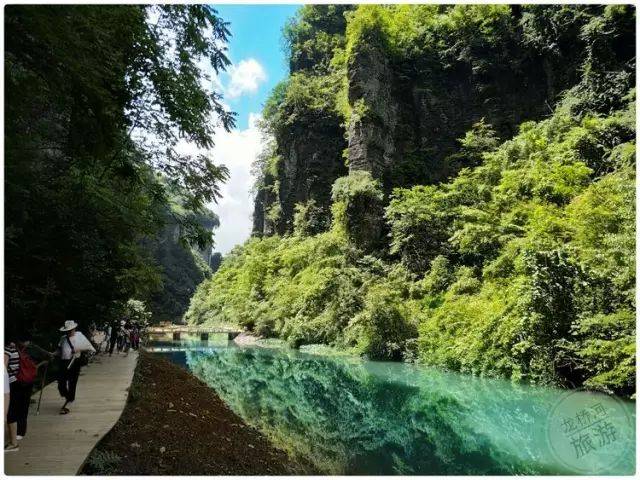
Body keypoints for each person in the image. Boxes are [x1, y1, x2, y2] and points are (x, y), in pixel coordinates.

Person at [55, 320, 95, 415]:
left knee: (72, 383)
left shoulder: (79, 336)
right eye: (67, 331)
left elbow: (89, 347)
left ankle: (69, 401)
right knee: (61, 384)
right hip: (64, 362)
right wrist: (53, 354)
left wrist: (79, 349)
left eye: (70, 330)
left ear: (74, 329)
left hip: (75, 362)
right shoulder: (63, 338)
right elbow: (59, 350)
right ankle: (69, 397)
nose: (69, 332)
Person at [4, 341, 19, 452]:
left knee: (10, 413)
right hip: (12, 382)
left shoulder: (6, 349)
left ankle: (14, 443)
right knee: (10, 412)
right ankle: (13, 441)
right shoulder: (12, 347)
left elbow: (3, 367)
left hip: (8, 383)